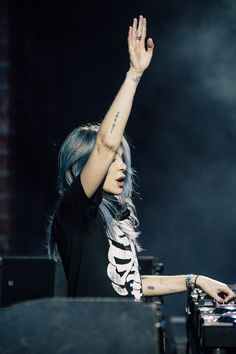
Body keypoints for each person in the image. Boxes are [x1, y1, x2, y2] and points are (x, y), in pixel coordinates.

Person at [47, 15, 235, 304]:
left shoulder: (113, 219)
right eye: (112, 160)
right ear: (81, 166)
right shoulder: (73, 216)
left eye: (122, 159)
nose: (121, 165)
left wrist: (195, 280)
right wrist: (134, 74)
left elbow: (133, 284)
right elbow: (106, 144)